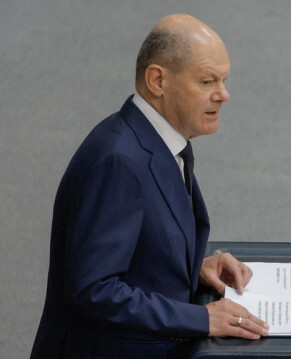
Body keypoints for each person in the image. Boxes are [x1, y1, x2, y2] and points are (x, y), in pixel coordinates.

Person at [30, 14, 269, 359]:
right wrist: (201, 317)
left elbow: (137, 243)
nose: (223, 94)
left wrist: (192, 268)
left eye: (224, 80)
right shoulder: (118, 162)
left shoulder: (162, 142)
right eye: (207, 81)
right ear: (158, 80)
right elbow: (93, 289)